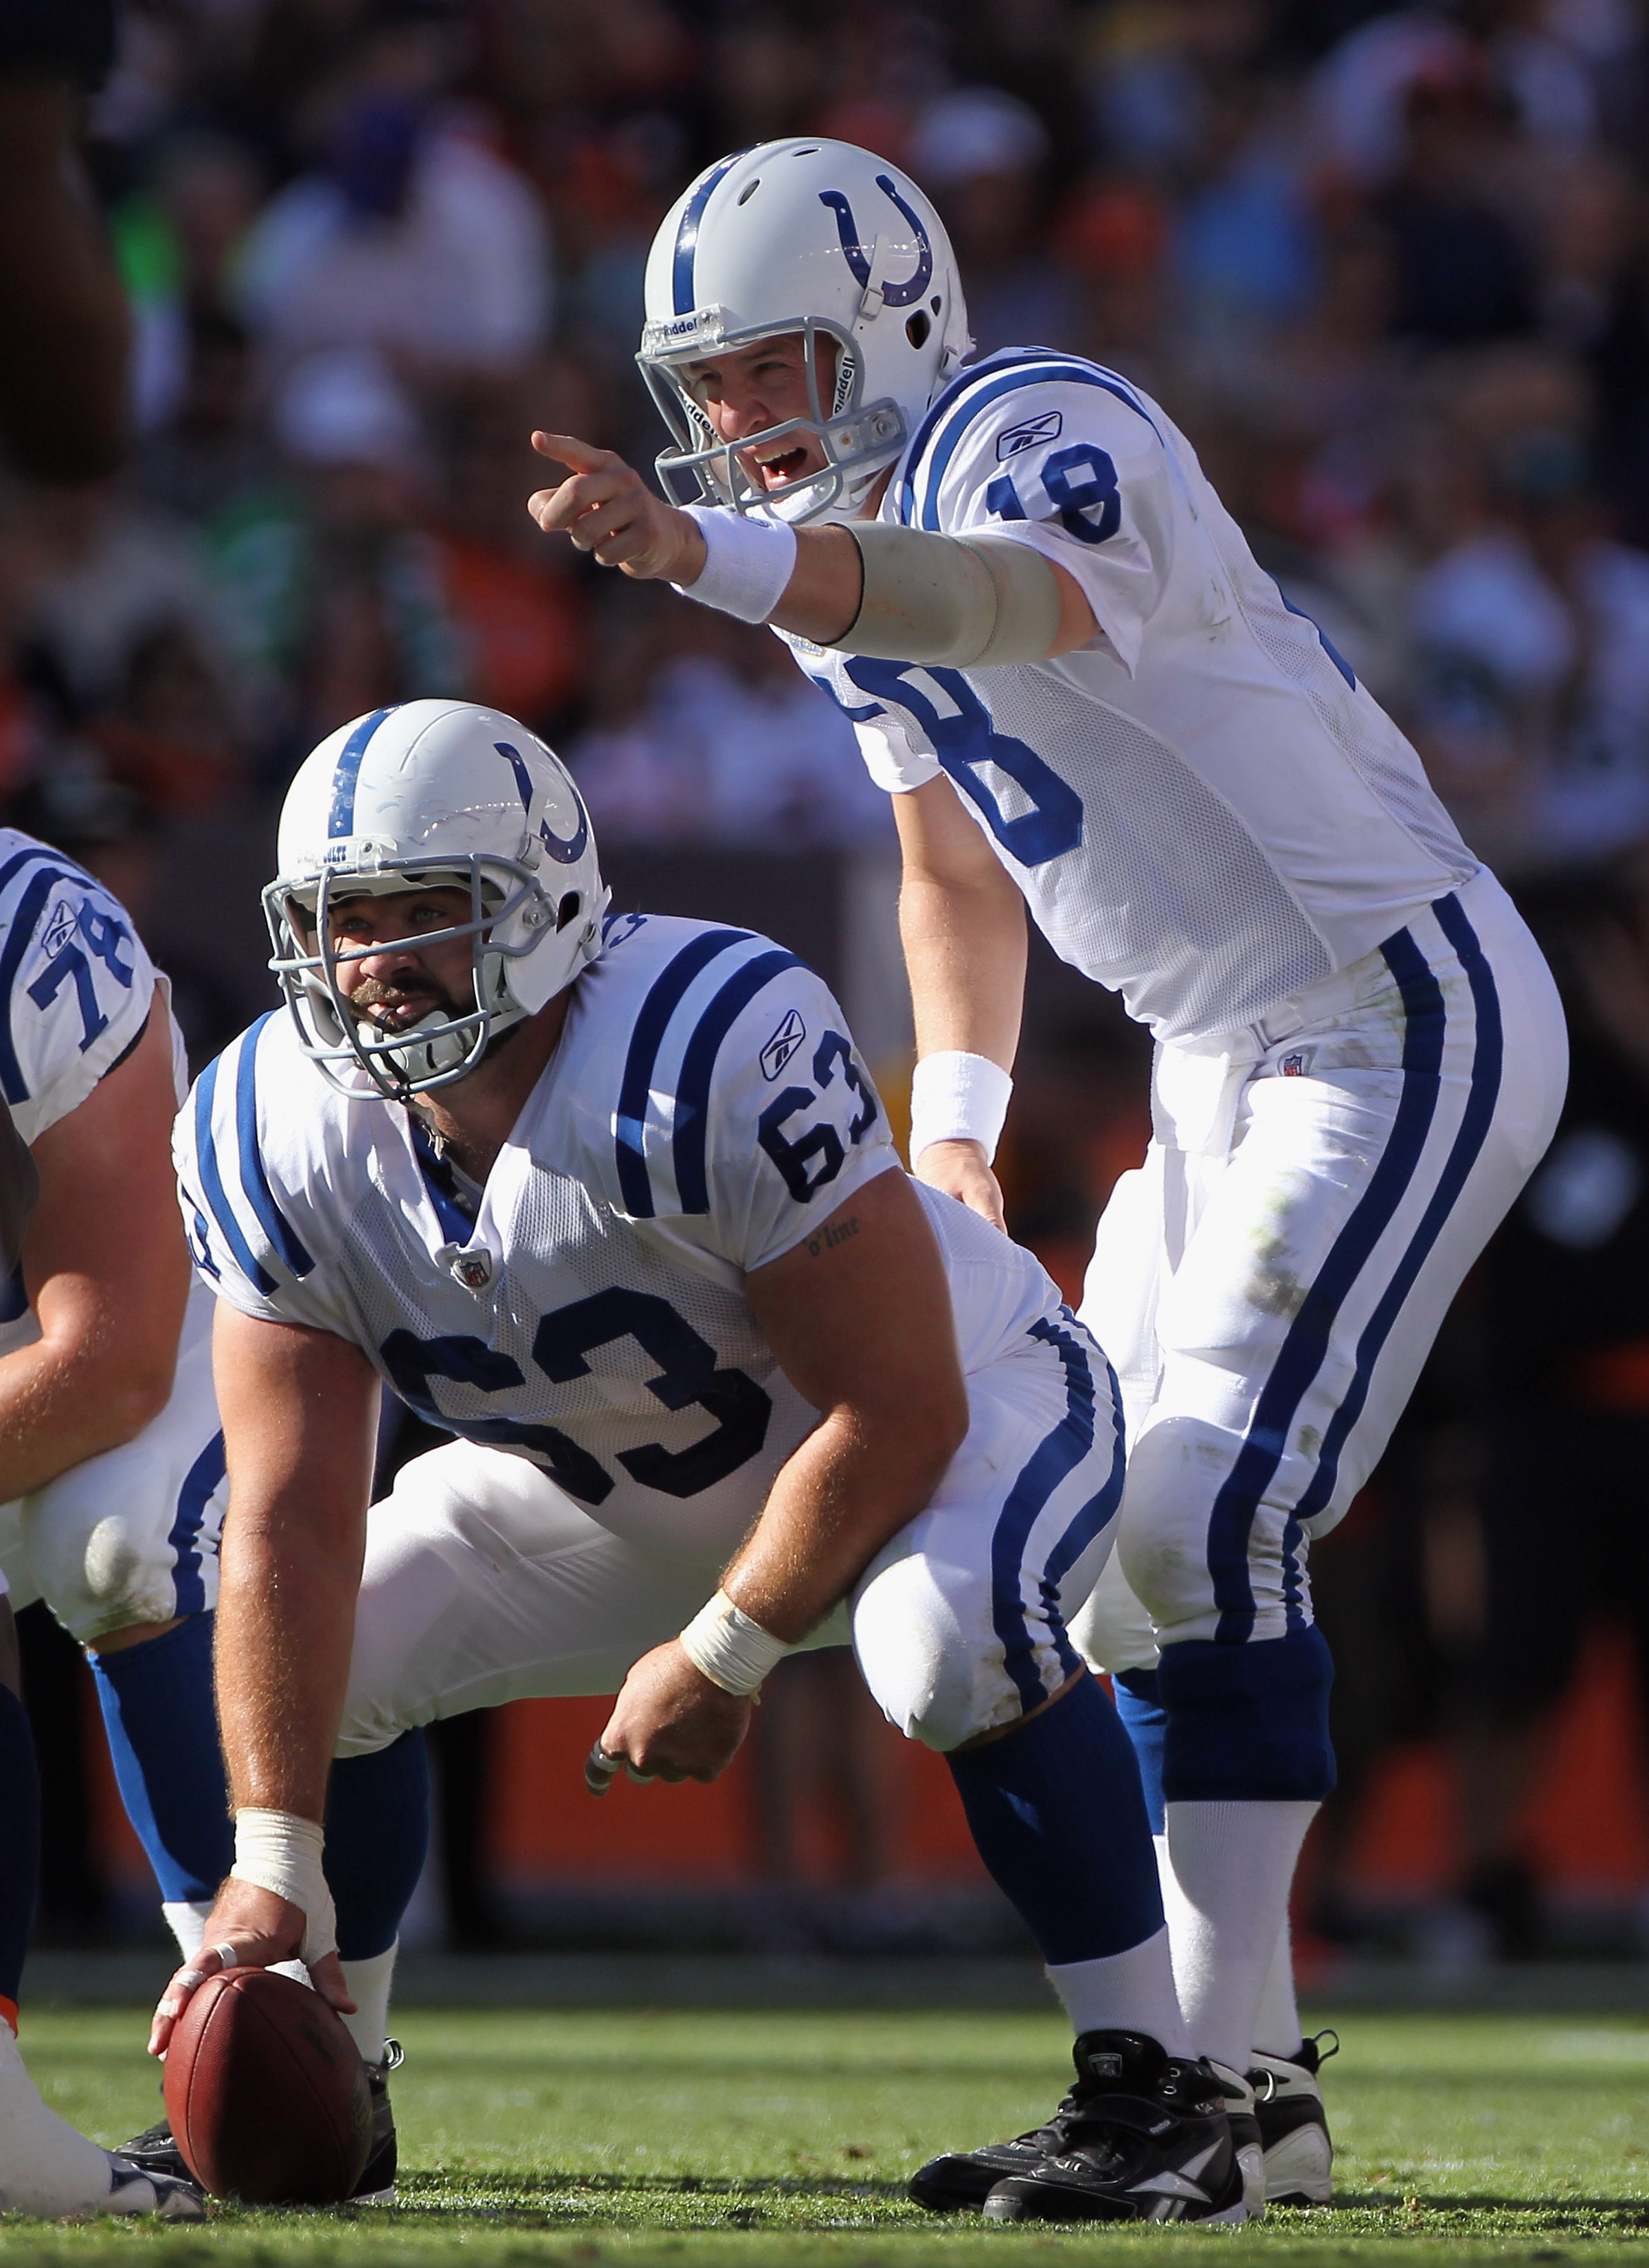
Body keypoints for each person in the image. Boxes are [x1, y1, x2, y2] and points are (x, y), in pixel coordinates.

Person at [521, 136, 1570, 2207]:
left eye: (768, 369)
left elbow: (999, 599)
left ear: (895, 321)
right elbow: (948, 860)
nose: (735, 422)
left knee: (1201, 1514)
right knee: (1090, 1551)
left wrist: (705, 565)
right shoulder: (824, 558)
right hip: (1212, 1052)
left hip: (1390, 1005)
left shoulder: (1041, 425)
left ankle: (1250, 2096)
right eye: (709, 385)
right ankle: (1183, 2083)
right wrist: (962, 1137)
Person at [157, 697, 1262, 2225]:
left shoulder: (703, 1041)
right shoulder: (264, 1125)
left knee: (940, 1645)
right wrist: (270, 1856)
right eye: (347, 923)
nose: (378, 964)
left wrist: (727, 1651)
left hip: (960, 1409)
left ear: (543, 907)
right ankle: (336, 2073)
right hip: (619, 1486)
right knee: (326, 1669)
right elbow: (282, 1518)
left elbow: (897, 1409)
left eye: (428, 914)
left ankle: (1165, 2093)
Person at [0, 0, 208, 2217]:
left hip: (58, 1396)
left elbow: (116, 1353)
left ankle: (294, 1986)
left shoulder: (38, 941)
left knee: (140, 1518)